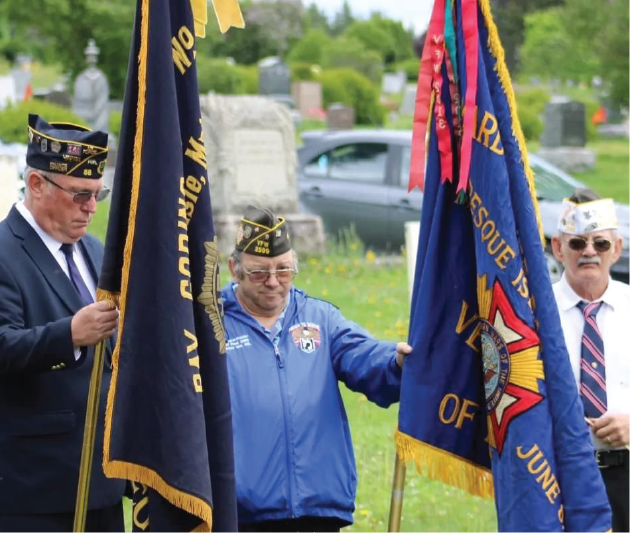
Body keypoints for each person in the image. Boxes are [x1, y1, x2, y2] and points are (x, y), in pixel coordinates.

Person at [223, 206, 412, 533]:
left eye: (283, 270)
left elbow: (363, 355)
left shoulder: (321, 319)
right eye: (258, 273)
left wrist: (394, 360)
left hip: (318, 512)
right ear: (234, 269)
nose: (272, 282)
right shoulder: (211, 326)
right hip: (242, 516)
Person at [0, 115, 125, 532]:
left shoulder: (93, 249)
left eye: (97, 194)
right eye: (79, 195)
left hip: (101, 479)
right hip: (34, 486)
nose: (91, 208)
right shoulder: (4, 251)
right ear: (37, 185)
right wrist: (69, 334)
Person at [551, 188, 630, 533]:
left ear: (617, 249)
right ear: (557, 248)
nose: (588, 252)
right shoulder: (534, 315)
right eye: (577, 243)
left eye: (600, 244)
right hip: (556, 475)